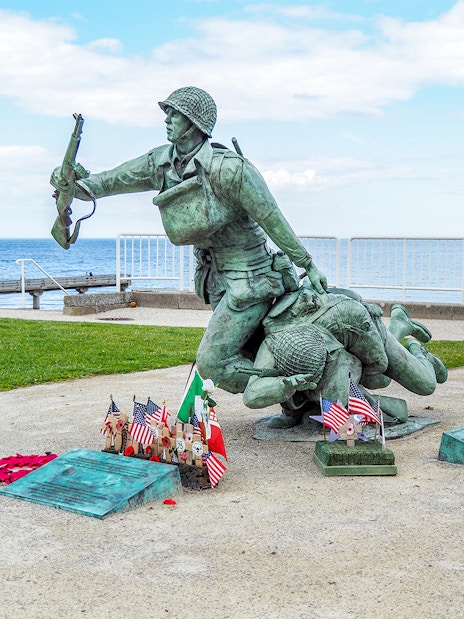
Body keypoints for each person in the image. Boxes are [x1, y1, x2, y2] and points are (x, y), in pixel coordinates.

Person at [51, 87, 327, 393]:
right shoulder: (160, 162)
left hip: (252, 278)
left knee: (213, 365)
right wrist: (71, 184)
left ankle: (308, 387)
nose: (167, 120)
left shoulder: (230, 169)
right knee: (249, 350)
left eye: (175, 114)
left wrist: (307, 264)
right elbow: (103, 184)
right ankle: (298, 400)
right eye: (167, 113)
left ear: (194, 123)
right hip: (215, 280)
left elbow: (271, 218)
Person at [242, 284, 447, 427]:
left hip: (367, 330)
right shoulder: (273, 343)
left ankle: (414, 346)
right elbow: (251, 394)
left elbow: (379, 363)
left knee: (423, 384)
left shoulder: (342, 315)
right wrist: (285, 384)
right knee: (348, 389)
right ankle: (400, 327)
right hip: (342, 353)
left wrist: (363, 305)